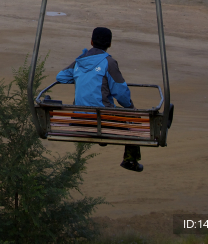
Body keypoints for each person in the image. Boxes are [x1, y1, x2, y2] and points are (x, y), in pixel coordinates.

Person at [56, 27, 143, 172]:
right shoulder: (109, 62)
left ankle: (102, 138)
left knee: (101, 108)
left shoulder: (80, 62)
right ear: (109, 44)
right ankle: (130, 160)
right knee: (135, 118)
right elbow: (121, 93)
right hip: (102, 120)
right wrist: (130, 108)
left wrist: (82, 75)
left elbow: (61, 77)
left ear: (91, 41)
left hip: (78, 118)